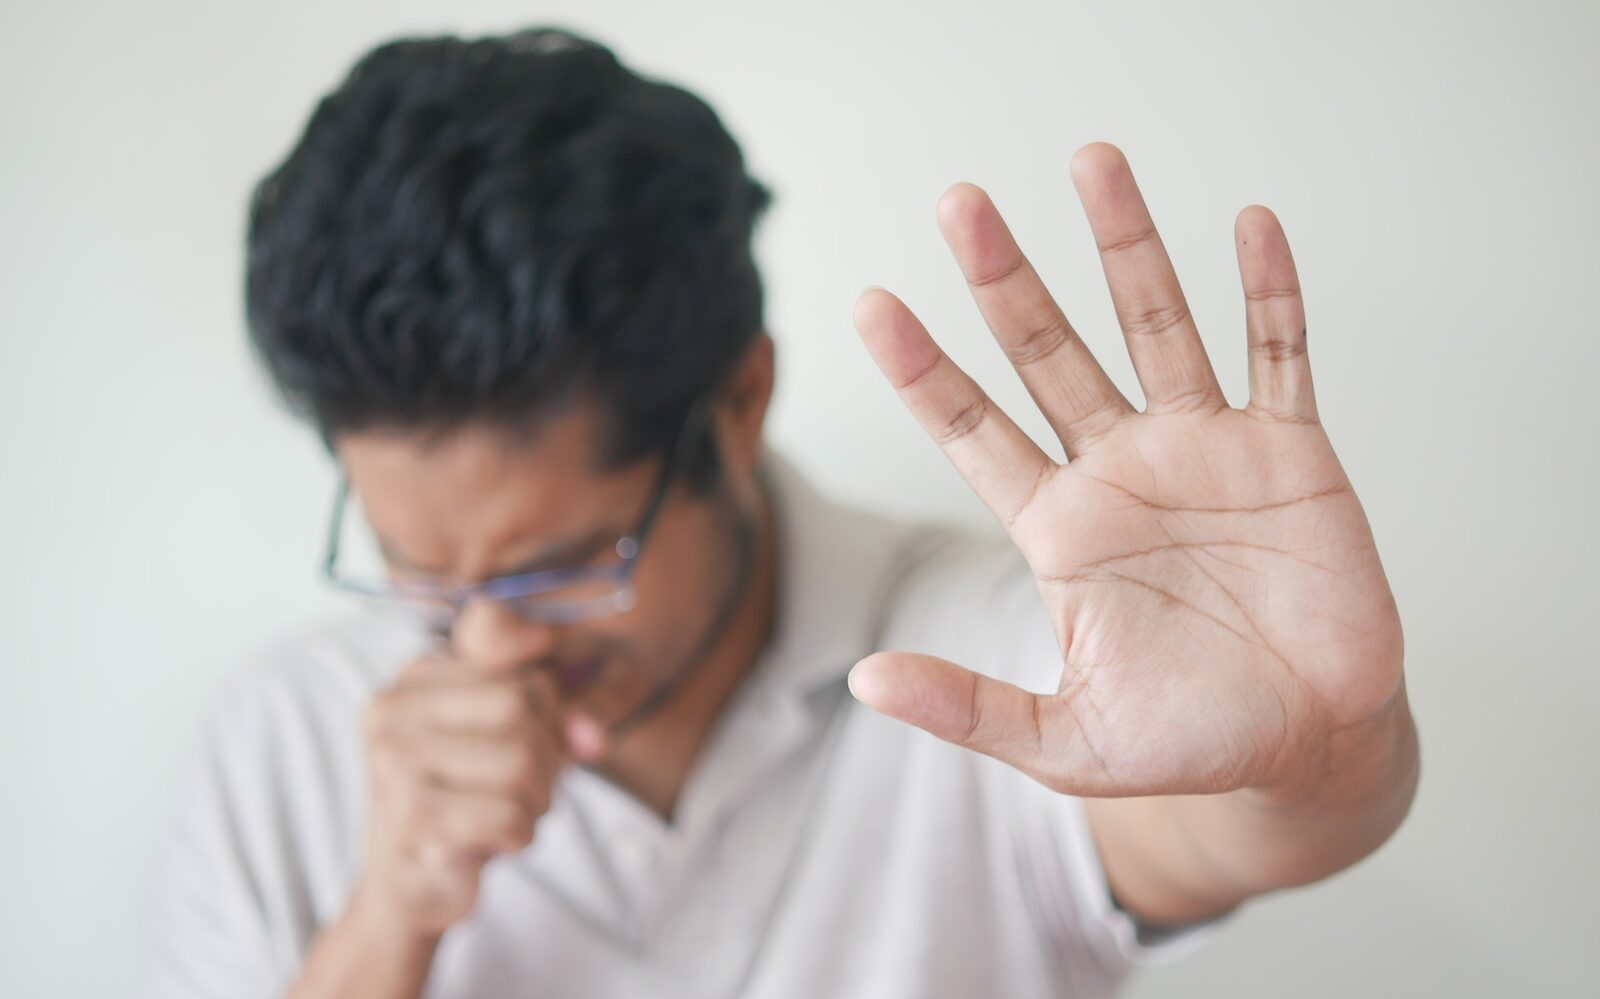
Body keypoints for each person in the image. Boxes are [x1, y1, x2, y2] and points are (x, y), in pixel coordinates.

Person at [136, 26, 1419, 999]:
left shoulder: (995, 644)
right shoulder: (281, 739)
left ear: (739, 400)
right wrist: (383, 928)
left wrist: (1314, 753)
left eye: (566, 565)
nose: (488, 645)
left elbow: (1225, 819)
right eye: (418, 575)